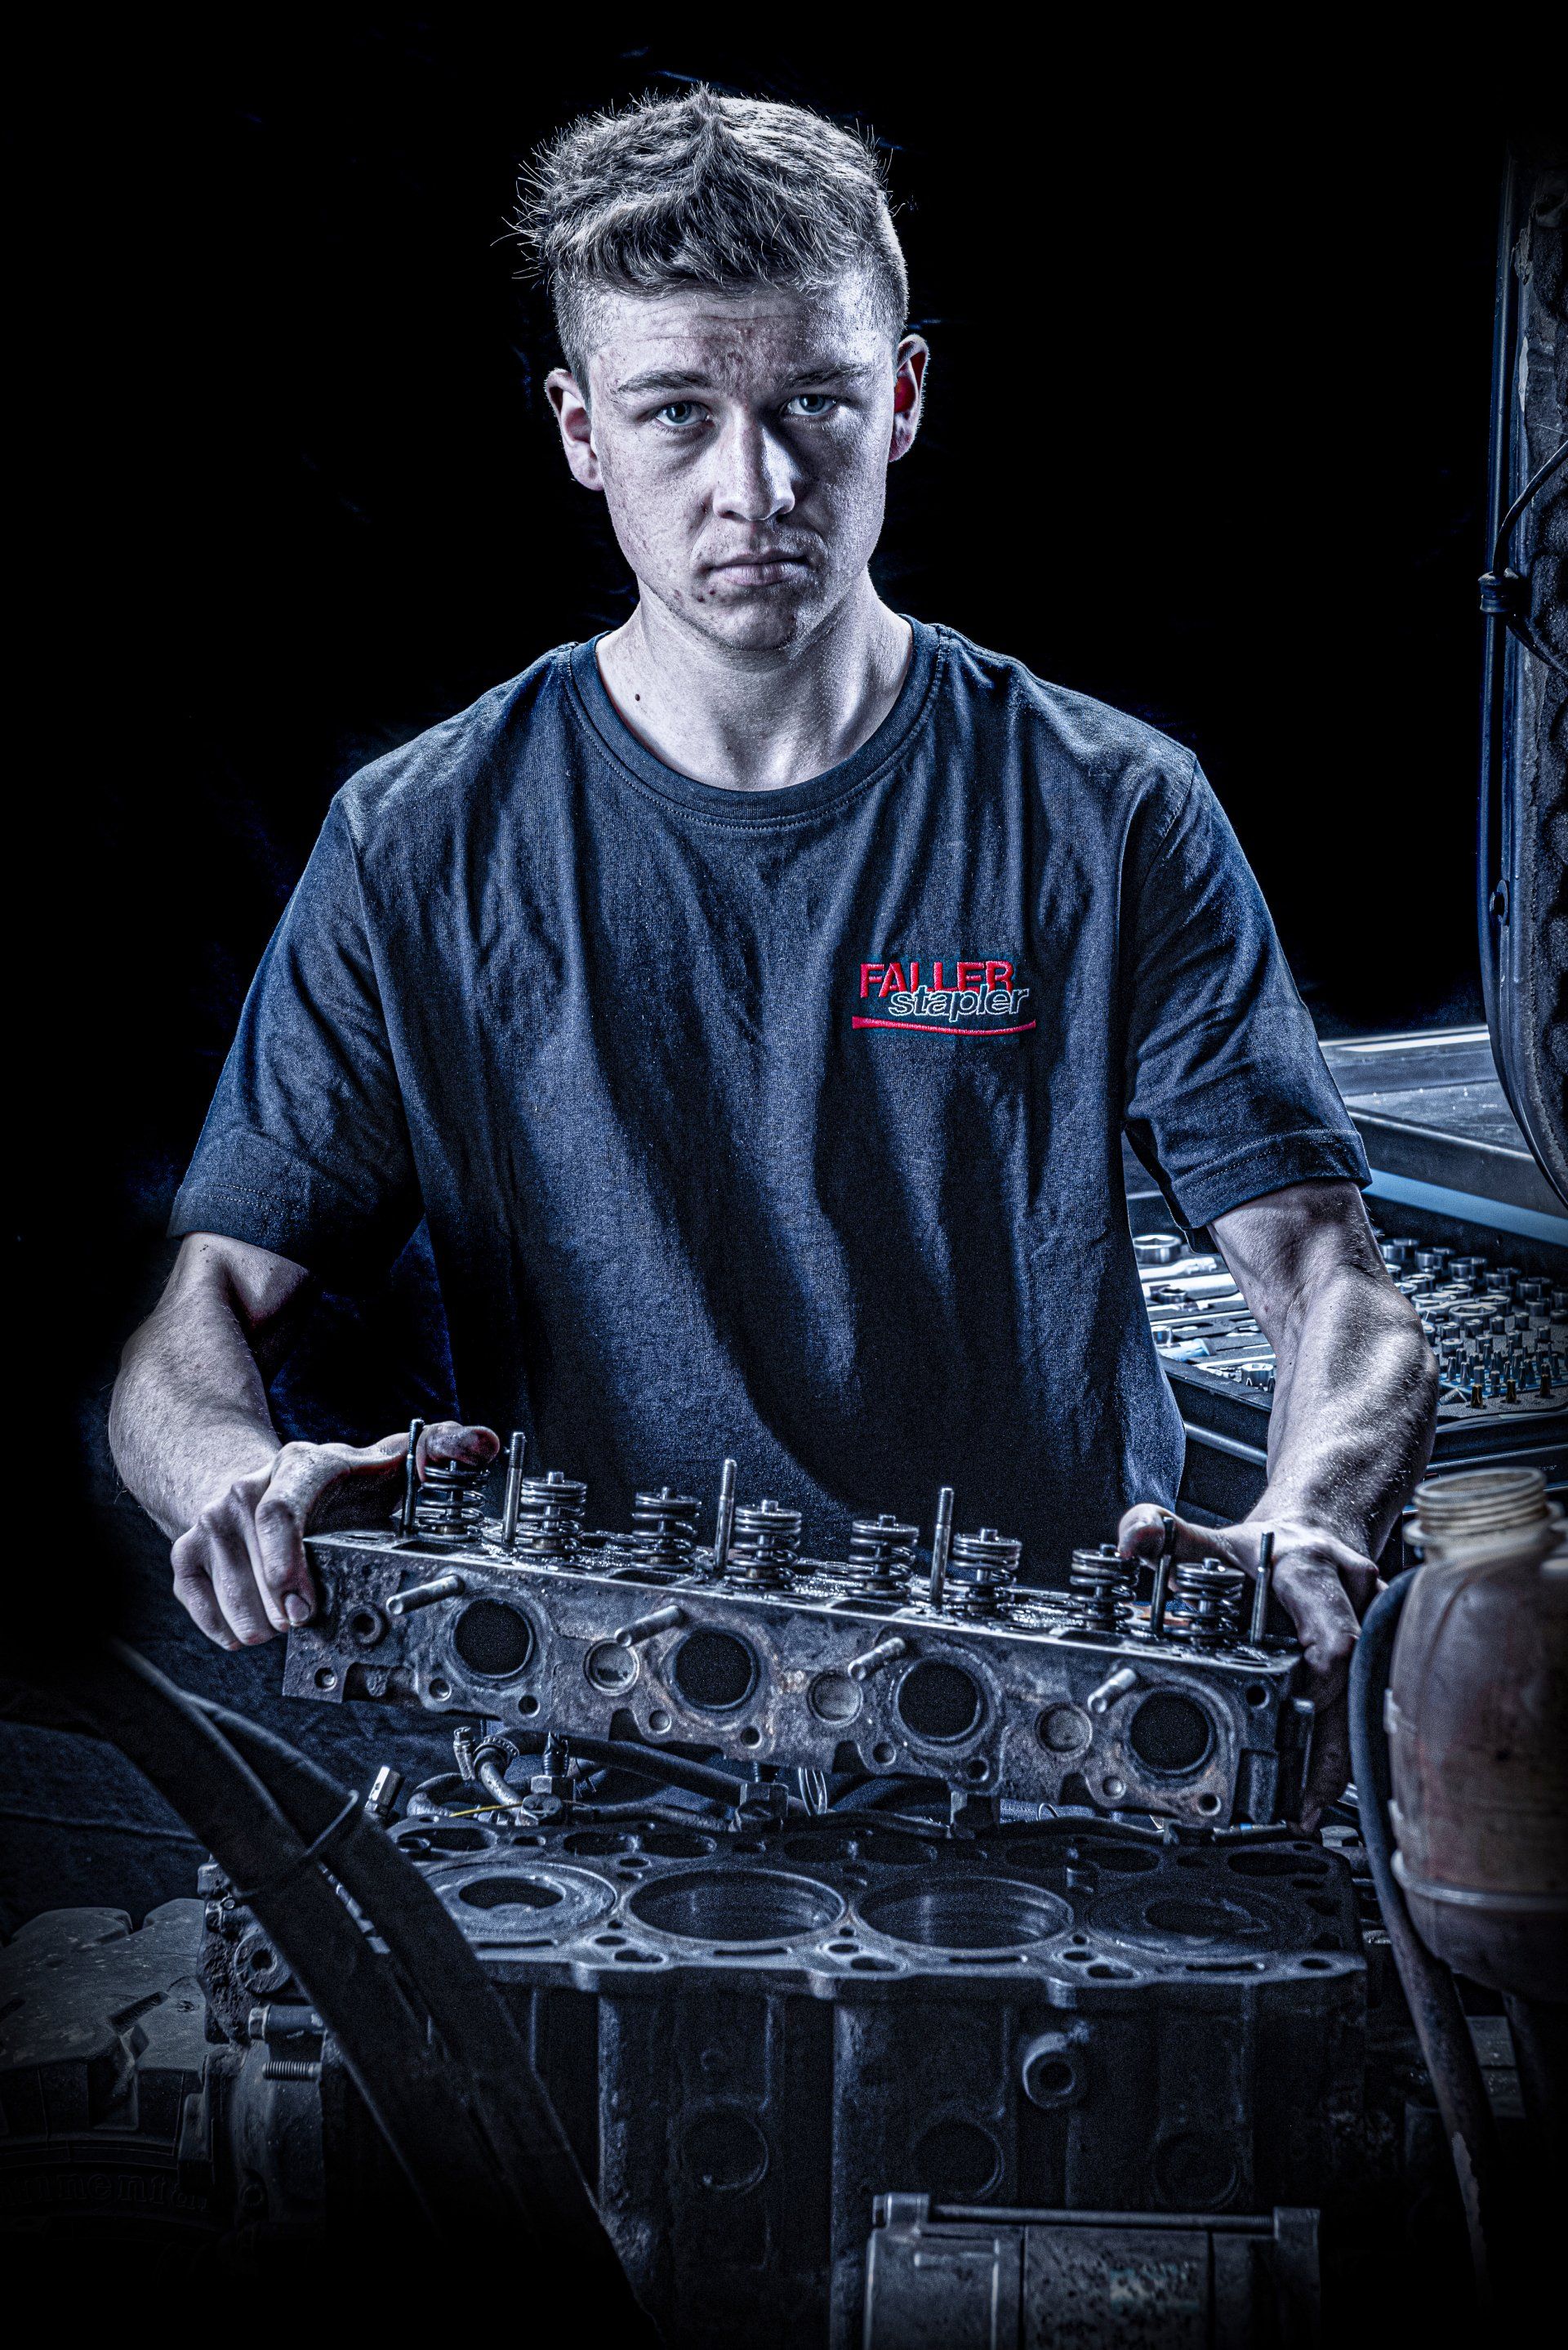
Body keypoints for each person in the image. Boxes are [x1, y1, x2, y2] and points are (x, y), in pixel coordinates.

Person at [109, 88, 1437, 1824]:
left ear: (903, 397)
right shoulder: (420, 843)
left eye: (815, 401)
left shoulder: (1110, 812)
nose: (758, 487)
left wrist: (1311, 1519)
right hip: (596, 1764)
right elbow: (195, 1320)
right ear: (582, 431)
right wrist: (236, 1477)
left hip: (1058, 1757)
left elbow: (1338, 1287)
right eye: (679, 412)